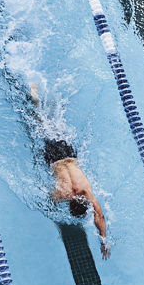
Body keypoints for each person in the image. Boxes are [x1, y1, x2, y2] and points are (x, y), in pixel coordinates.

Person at [30, 83, 111, 260]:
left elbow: (100, 215)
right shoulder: (61, 195)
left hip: (69, 153)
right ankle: (35, 95)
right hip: (53, 159)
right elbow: (48, 202)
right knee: (40, 122)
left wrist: (104, 238)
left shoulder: (87, 192)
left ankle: (48, 92)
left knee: (56, 124)